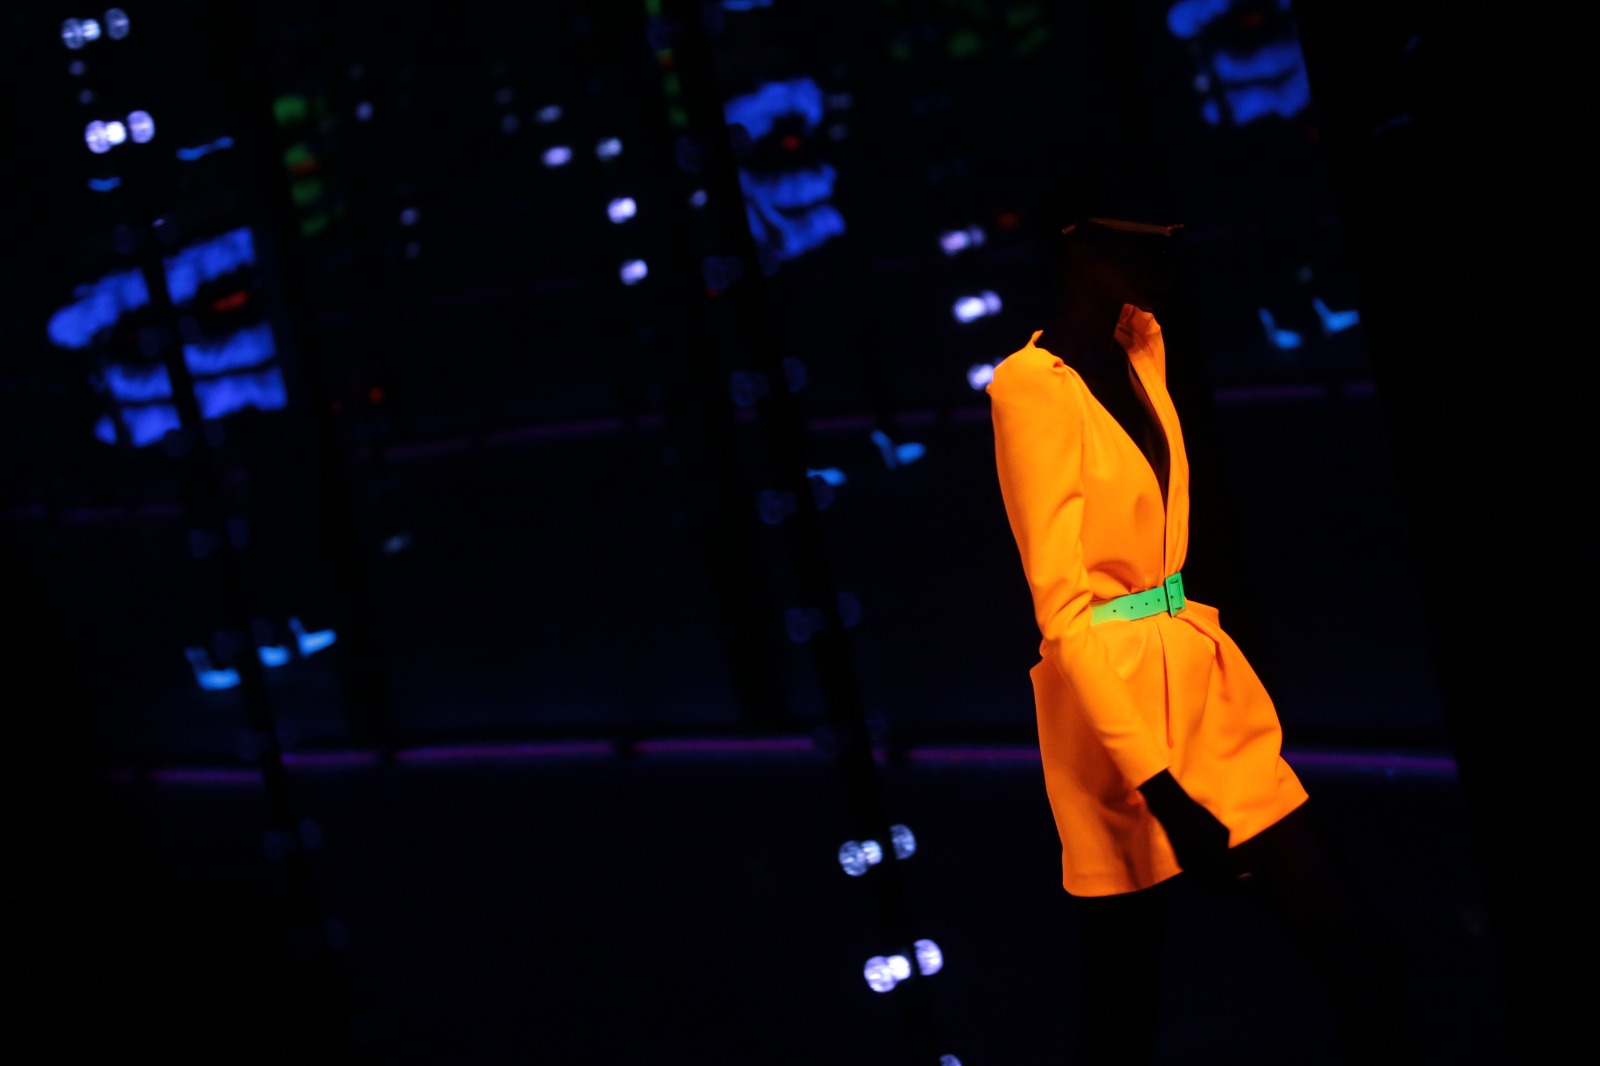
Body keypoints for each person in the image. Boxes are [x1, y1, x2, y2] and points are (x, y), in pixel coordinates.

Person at [985, 217, 1414, 1064]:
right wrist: (1164, 793)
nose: (1170, 258)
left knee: (1360, 953)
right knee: (1122, 1009)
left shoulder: (1142, 347)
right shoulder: (1029, 387)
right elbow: (1063, 614)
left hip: (1201, 690)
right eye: (1152, 239)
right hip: (1115, 726)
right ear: (1086, 244)